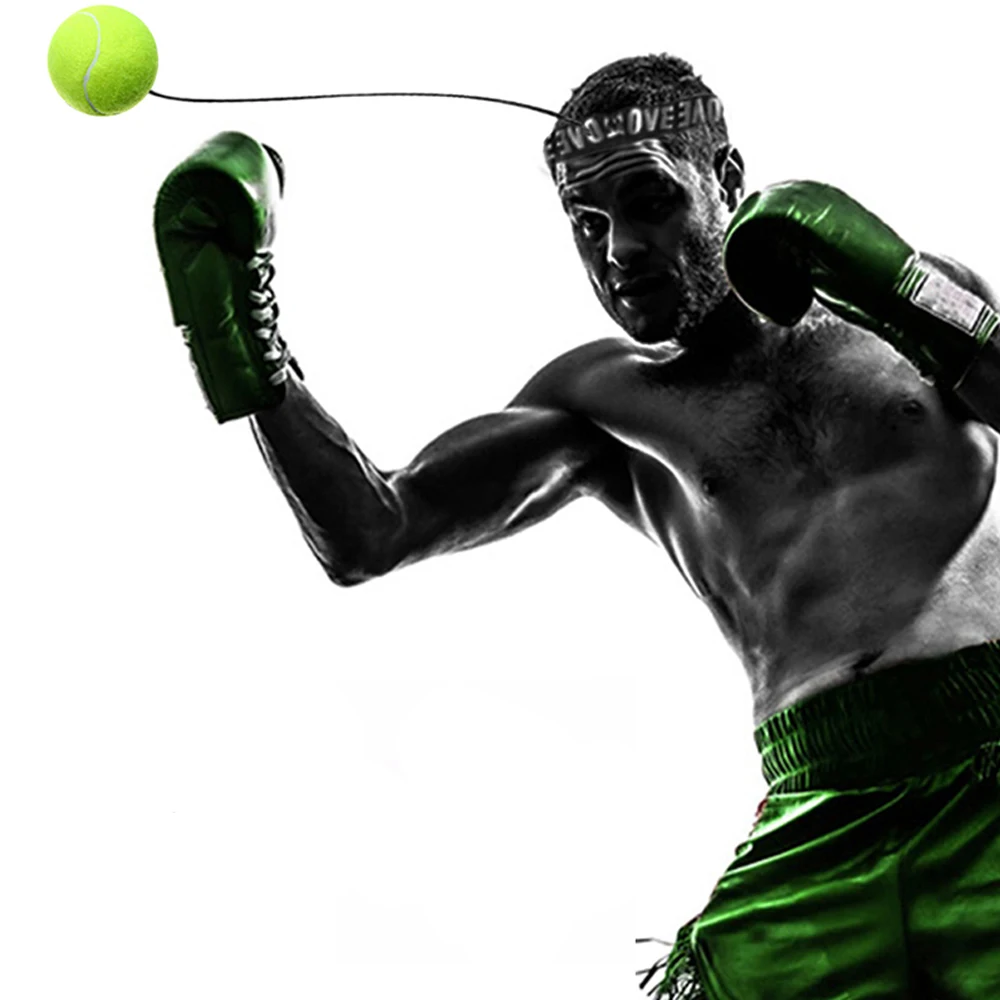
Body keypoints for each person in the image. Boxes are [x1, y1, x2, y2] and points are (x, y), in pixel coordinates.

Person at [154, 54, 1000, 999]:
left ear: (725, 178)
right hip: (818, 812)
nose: (620, 248)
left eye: (650, 202)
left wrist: (902, 291)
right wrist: (244, 336)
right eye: (587, 223)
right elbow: (370, 532)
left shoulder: (905, 305)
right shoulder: (604, 402)